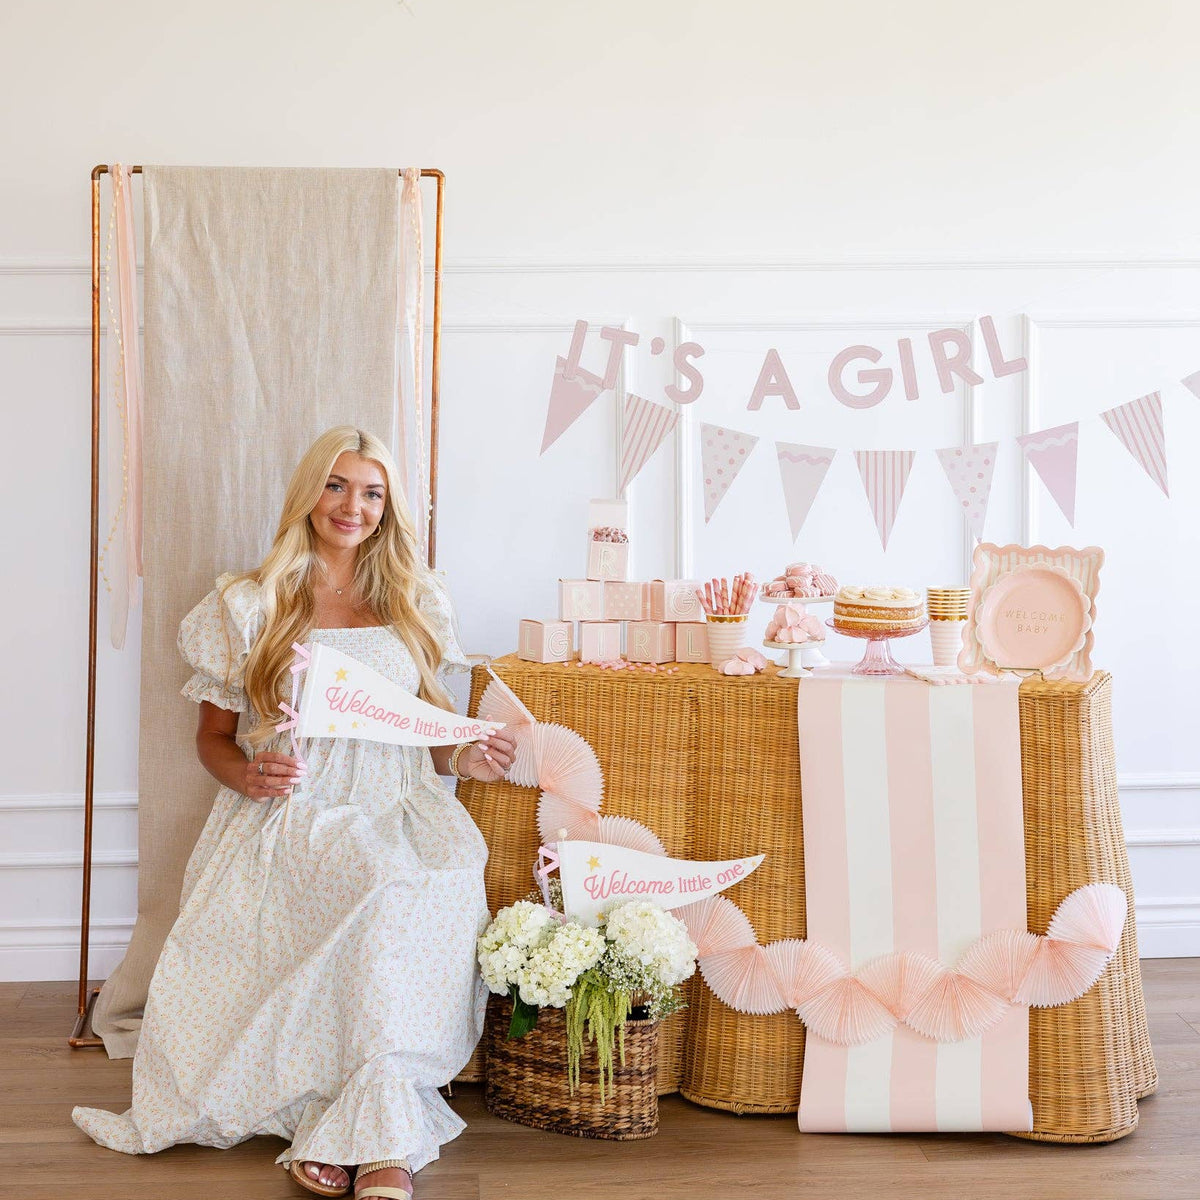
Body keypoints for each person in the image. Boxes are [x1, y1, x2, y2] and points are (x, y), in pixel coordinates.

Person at [73, 426, 515, 1200]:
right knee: (374, 884)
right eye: (337, 486)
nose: (353, 506)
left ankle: (368, 1127)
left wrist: (466, 758)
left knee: (420, 884)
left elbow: (432, 736)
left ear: (389, 508)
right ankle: (374, 1139)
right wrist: (250, 775)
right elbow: (211, 739)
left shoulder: (414, 599)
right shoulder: (248, 604)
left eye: (372, 492)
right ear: (309, 493)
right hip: (298, 807)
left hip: (401, 802)